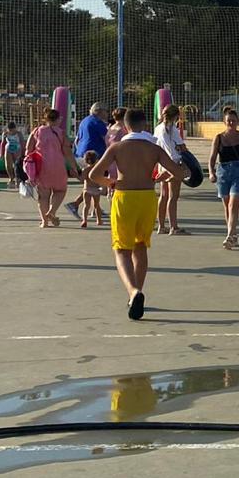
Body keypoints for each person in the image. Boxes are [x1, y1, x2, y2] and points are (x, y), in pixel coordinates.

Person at [87, 108, 187, 319]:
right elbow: (179, 172)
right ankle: (137, 292)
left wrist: (111, 182)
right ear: (145, 125)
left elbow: (94, 174)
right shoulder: (154, 149)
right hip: (147, 197)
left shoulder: (117, 147)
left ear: (125, 126)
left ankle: (133, 292)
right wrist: (162, 177)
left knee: (122, 250)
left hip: (124, 197)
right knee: (141, 246)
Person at [209, 106, 239, 249]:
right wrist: (211, 172)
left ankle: (229, 236)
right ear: (224, 121)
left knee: (233, 204)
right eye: (228, 121)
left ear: (238, 121)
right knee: (227, 206)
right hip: (223, 172)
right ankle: (233, 234)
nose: (231, 123)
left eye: (233, 121)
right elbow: (212, 157)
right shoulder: (219, 138)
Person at [27, 107, 74, 228]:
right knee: (60, 191)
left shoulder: (37, 131)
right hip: (58, 166)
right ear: (57, 119)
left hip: (42, 167)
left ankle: (44, 221)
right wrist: (74, 167)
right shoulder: (61, 133)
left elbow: (28, 149)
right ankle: (52, 212)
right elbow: (67, 152)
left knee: (43, 195)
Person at [66, 103, 110, 221]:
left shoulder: (85, 121)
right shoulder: (97, 122)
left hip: (81, 154)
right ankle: (75, 204)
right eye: (105, 110)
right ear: (99, 111)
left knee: (90, 183)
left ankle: (96, 209)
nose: (107, 113)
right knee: (93, 183)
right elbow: (107, 137)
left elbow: (77, 140)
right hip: (92, 155)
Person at [154, 103, 188, 235]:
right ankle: (174, 227)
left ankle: (161, 226)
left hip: (162, 163)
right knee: (173, 196)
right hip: (174, 162)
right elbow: (181, 146)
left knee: (163, 195)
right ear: (175, 117)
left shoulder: (158, 128)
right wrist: (185, 162)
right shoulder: (172, 129)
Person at [78, 150, 106, 228]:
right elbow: (101, 178)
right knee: (97, 206)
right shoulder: (98, 169)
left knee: (86, 205)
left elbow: (82, 179)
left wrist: (76, 175)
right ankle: (99, 220)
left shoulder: (85, 170)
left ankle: (84, 220)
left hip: (87, 189)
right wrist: (103, 187)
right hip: (96, 189)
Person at [0, 122, 22, 190]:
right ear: (8, 129)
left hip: (17, 148)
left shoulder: (19, 134)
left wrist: (23, 152)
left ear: (15, 128)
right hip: (8, 148)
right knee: (8, 165)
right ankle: (11, 177)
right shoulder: (5, 133)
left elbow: (22, 142)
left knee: (17, 164)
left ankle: (17, 178)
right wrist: (1, 154)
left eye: (13, 130)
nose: (12, 131)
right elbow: (2, 143)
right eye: (10, 130)